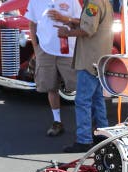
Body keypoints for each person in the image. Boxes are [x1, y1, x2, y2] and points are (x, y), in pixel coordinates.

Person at [50, 0, 114, 153]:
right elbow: (91, 25)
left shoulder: (93, 2)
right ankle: (102, 135)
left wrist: (68, 32)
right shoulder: (102, 2)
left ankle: (84, 140)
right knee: (97, 99)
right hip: (98, 59)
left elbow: (88, 29)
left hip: (89, 59)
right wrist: (73, 25)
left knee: (83, 101)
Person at [25, 0, 81, 137]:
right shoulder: (35, 2)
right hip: (45, 50)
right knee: (51, 87)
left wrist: (64, 19)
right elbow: (32, 24)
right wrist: (36, 48)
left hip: (68, 51)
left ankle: (85, 125)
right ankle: (57, 122)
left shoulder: (71, 1)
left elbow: (81, 21)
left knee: (79, 87)